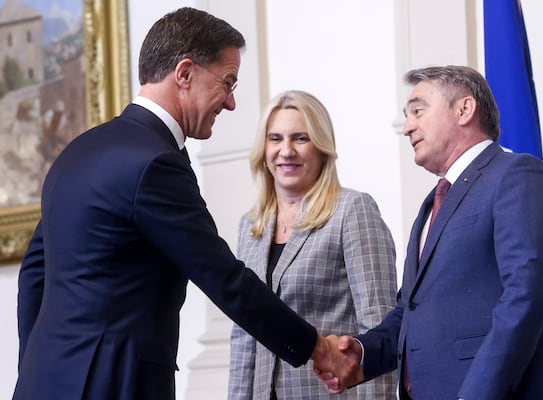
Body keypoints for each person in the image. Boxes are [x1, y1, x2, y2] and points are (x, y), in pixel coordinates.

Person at [13, 8, 361, 400]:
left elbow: (34, 277)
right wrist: (319, 349)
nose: (230, 103)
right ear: (184, 73)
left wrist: (39, 364)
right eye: (227, 83)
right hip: (116, 383)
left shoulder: (77, 152)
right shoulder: (155, 162)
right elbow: (224, 279)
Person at [318, 65, 543, 399]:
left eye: (418, 110)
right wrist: (362, 353)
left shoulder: (518, 176)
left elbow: (526, 295)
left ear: (464, 109)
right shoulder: (433, 203)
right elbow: (410, 311)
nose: (408, 126)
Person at [227, 90, 398, 400]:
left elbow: (380, 331)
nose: (286, 151)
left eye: (301, 138)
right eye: (275, 138)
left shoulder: (351, 210)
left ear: (322, 149)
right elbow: (243, 336)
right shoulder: (251, 226)